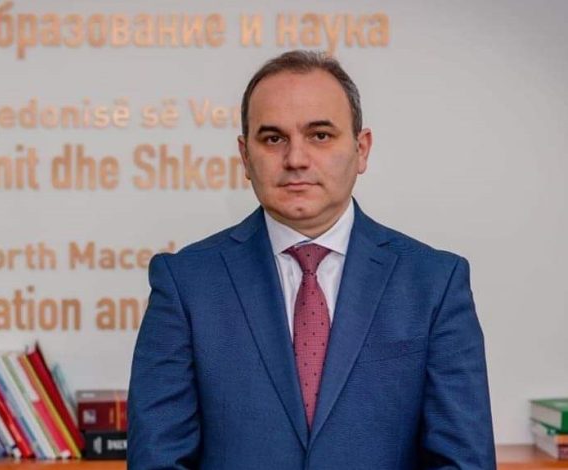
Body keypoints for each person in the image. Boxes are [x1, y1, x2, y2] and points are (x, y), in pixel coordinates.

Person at [127, 50, 495, 469]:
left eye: (320, 135)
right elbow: (157, 460)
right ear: (245, 157)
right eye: (273, 139)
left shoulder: (435, 283)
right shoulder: (185, 283)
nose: (296, 159)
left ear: (361, 149)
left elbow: (463, 461)